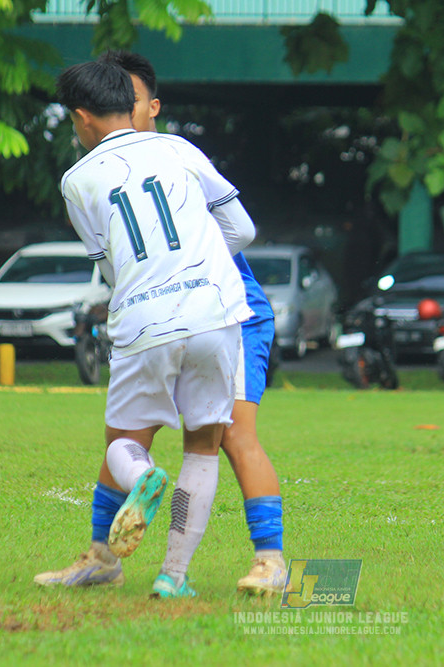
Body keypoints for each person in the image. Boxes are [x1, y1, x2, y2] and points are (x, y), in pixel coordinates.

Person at [34, 60, 255, 598]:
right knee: (203, 447)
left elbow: (109, 266)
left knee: (123, 445)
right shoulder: (179, 149)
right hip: (215, 313)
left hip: (144, 321)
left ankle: (141, 480)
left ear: (83, 117)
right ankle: (172, 577)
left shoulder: (77, 179)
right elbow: (242, 229)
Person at [101, 49, 287, 595]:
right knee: (125, 436)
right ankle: (109, 558)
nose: (117, 112)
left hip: (232, 316)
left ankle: (271, 562)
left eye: (127, 102)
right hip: (174, 321)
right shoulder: (112, 177)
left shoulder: (176, 160)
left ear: (151, 108)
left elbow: (237, 230)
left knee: (232, 437)